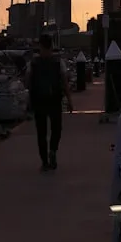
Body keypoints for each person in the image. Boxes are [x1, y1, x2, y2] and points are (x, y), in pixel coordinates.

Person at [26, 34, 73, 171]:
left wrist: (29, 101)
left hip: (39, 100)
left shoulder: (33, 63)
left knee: (41, 132)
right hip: (54, 99)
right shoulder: (59, 62)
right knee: (56, 129)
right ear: (51, 46)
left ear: (40, 46)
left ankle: (44, 162)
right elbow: (64, 83)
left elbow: (27, 83)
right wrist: (69, 100)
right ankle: (53, 150)